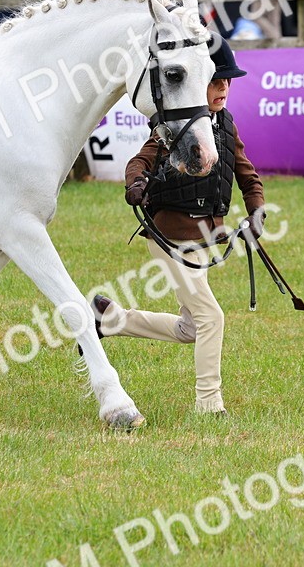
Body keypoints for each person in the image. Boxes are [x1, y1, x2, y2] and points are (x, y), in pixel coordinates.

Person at [95, 39, 265, 415]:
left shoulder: (226, 123)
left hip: (205, 236)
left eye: (227, 83)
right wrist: (135, 184)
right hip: (169, 235)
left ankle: (111, 320)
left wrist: (256, 210)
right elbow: (139, 162)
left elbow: (247, 174)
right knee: (211, 318)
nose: (222, 89)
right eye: (215, 82)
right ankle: (209, 402)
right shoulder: (176, 128)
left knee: (191, 327)